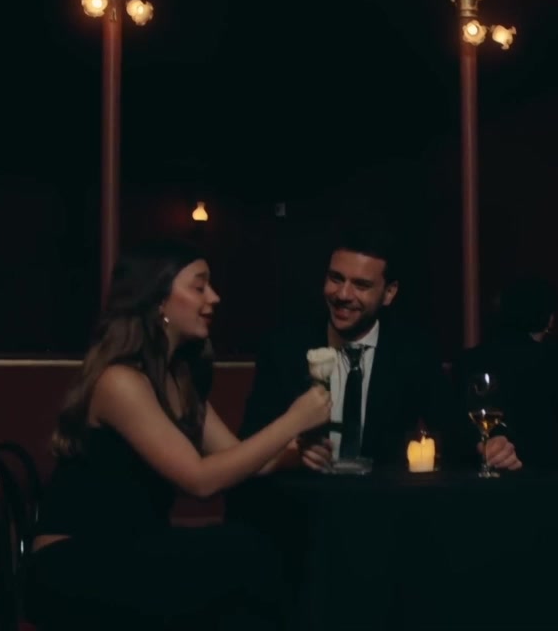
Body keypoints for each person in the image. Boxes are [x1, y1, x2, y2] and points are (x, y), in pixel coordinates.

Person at [27, 241, 331, 630]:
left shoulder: (180, 378)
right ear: (157, 300)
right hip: (75, 562)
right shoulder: (120, 382)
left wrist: (293, 453)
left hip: (137, 549)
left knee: (256, 569)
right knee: (246, 552)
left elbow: (236, 457)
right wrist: (293, 421)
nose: (214, 297)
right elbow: (201, 480)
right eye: (200, 286)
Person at [241, 226, 521, 472]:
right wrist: (291, 451)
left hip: (379, 502)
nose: (343, 294)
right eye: (336, 278)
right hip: (300, 500)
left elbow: (453, 427)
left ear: (389, 293)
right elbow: (249, 441)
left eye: (361, 285)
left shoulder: (412, 351)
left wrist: (489, 445)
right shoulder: (285, 347)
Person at [454, 276, 558, 470]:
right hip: (542, 475)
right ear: (549, 317)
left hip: (478, 472)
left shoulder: (471, 358)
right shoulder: (552, 355)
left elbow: (458, 425)